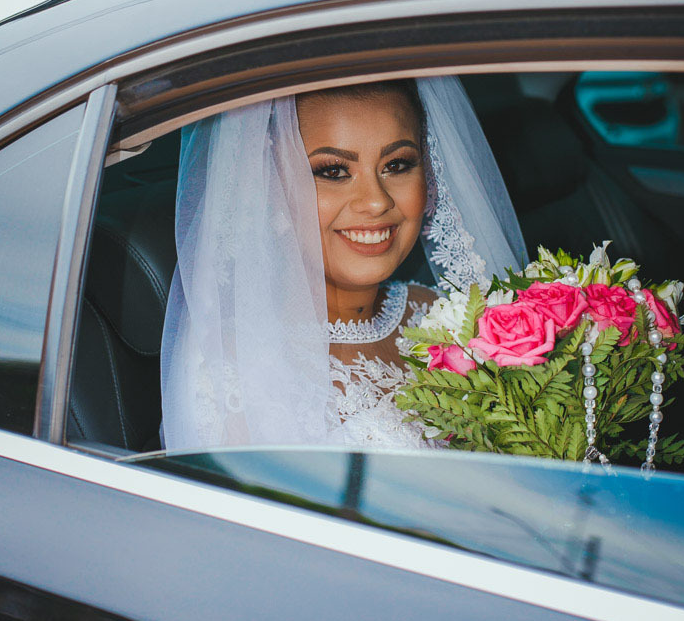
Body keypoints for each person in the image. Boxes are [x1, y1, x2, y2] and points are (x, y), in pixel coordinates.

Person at [160, 76, 526, 450]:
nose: (375, 201)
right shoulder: (235, 365)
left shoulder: (451, 316)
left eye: (397, 164)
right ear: (270, 182)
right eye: (333, 171)